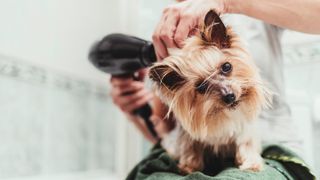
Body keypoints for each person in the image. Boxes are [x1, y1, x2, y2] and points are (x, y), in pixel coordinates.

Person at [111, 0, 319, 179]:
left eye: (226, 69)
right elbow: (163, 132)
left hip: (271, 148)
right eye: (202, 86)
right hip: (197, 153)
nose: (227, 92)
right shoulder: (169, 30)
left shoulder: (254, 12)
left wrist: (225, 3)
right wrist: (133, 111)